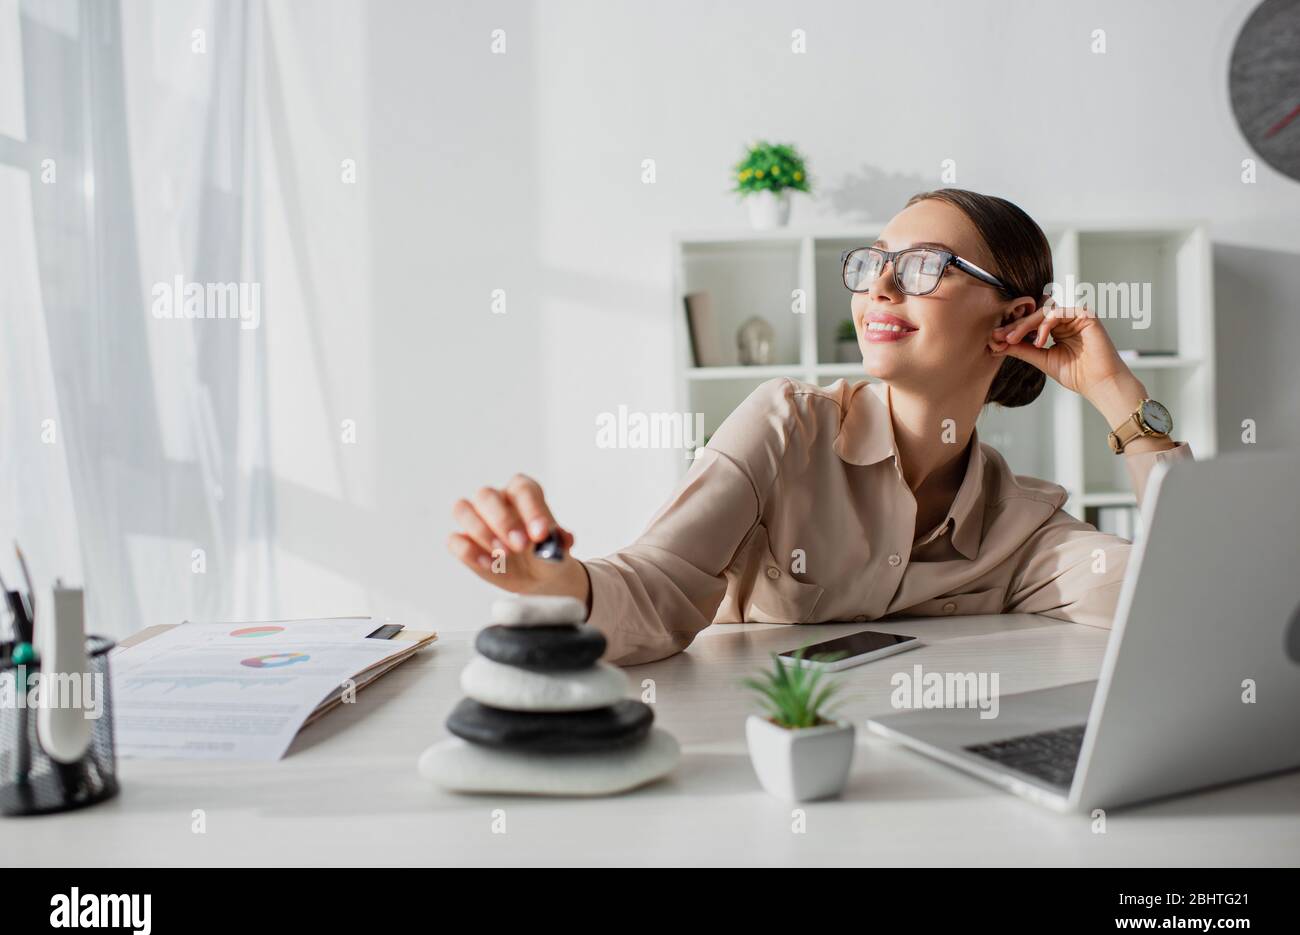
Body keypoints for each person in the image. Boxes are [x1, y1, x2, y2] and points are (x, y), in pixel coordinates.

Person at [448, 188, 1194, 665]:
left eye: (927, 263)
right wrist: (559, 586)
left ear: (1013, 318)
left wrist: (1116, 392)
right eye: (874, 262)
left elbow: (1183, 591)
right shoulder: (782, 429)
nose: (883, 285)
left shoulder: (1021, 529)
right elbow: (653, 588)